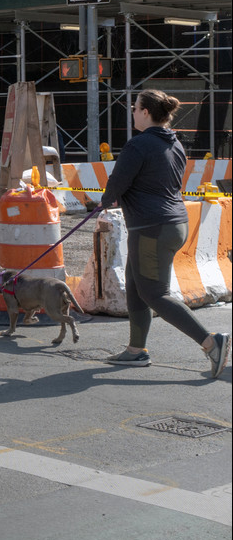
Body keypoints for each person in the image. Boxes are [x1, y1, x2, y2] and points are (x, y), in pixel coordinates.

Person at [101, 89, 229, 378]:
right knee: (135, 285)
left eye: (135, 108)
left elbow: (118, 182)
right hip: (173, 223)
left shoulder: (138, 145)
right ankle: (136, 351)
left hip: (151, 228)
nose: (132, 112)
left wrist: (105, 200)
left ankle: (211, 343)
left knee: (154, 293)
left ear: (146, 112)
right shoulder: (175, 144)